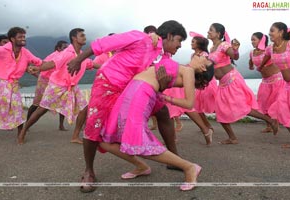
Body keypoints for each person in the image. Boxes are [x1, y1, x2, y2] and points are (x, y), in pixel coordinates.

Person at [67, 20, 206, 192]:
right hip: (109, 83)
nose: (179, 45)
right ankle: (89, 171)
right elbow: (104, 44)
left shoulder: (164, 56)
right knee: (94, 126)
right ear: (169, 36)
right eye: (179, 40)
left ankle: (174, 159)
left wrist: (163, 85)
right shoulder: (140, 38)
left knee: (162, 110)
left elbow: (157, 78)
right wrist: (78, 59)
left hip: (131, 90)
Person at [100, 55, 214, 191]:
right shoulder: (184, 68)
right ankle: (141, 166)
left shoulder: (188, 71)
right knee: (104, 139)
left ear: (202, 67)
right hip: (131, 92)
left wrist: (165, 97)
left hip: (141, 93)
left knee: (137, 140)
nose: (201, 55)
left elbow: (189, 103)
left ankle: (189, 167)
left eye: (204, 58)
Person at [17, 28, 99, 144]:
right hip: (57, 85)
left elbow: (93, 64)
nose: (85, 37)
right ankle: (23, 131)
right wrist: (39, 68)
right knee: (42, 110)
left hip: (72, 87)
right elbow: (52, 64)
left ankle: (75, 136)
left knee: (84, 109)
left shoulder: (82, 55)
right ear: (74, 38)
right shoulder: (66, 53)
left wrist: (109, 66)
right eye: (82, 35)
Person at [207, 23, 278, 144]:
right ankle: (232, 138)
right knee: (220, 110)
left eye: (211, 30)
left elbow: (235, 56)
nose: (208, 32)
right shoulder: (212, 48)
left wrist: (235, 49)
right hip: (222, 84)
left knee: (244, 108)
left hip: (232, 80)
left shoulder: (224, 45)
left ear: (218, 34)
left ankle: (270, 121)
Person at [0, 27, 44, 136]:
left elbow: (39, 62)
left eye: (24, 36)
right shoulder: (1, 50)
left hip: (12, 85)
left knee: (18, 109)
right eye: (20, 37)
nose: (23, 39)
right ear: (12, 39)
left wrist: (56, 65)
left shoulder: (25, 52)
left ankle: (21, 134)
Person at [163, 31, 215, 145]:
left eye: (193, 41)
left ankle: (206, 129)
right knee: (174, 107)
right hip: (183, 77)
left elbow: (201, 70)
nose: (190, 43)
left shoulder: (204, 56)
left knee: (188, 107)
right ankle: (173, 136)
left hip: (190, 79)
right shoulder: (193, 55)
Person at [26, 40, 69, 131]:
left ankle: (61, 125)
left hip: (57, 82)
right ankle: (27, 123)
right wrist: (38, 75)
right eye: (64, 47)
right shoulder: (53, 56)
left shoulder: (66, 56)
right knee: (37, 103)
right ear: (58, 48)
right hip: (44, 80)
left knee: (63, 103)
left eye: (67, 47)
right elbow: (42, 65)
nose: (66, 49)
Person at [260, 22, 290, 148]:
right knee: (283, 111)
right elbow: (266, 57)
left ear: (281, 32)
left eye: (272, 30)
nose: (269, 33)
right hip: (286, 85)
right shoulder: (270, 48)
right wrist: (261, 66)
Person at [249, 32, 285, 133]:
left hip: (277, 80)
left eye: (254, 39)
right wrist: (251, 65)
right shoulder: (252, 52)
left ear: (261, 40)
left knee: (277, 104)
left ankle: (276, 122)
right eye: (251, 40)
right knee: (264, 104)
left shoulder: (269, 50)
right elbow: (251, 60)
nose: (252, 42)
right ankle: (269, 125)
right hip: (265, 82)